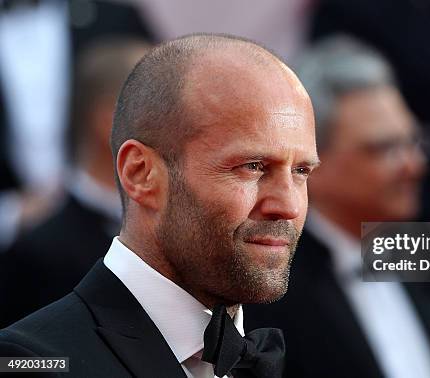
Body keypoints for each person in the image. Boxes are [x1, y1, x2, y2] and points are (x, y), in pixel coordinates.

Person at [0, 33, 319, 378]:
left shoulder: (286, 352)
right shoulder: (30, 364)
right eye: (252, 167)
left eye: (301, 171)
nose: (287, 204)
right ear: (141, 174)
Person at [246, 35, 430, 378]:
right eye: (384, 149)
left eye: (413, 141)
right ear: (311, 164)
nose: (414, 165)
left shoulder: (414, 259)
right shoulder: (269, 290)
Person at [0, 38, 151, 328]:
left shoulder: (185, 235)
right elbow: (17, 364)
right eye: (162, 109)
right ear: (111, 120)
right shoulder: (37, 254)